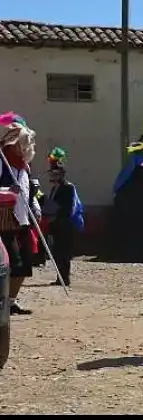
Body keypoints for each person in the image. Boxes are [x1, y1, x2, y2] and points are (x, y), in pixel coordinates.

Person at [0, 113, 40, 316]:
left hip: (23, 220)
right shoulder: (1, 162)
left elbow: (27, 192)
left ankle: (12, 301)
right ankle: (3, 302)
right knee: (11, 264)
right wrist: (7, 191)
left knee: (25, 265)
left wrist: (34, 206)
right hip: (4, 222)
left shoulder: (24, 168)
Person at [44, 148, 82, 287]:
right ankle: (59, 276)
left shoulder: (68, 187)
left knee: (64, 252)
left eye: (55, 173)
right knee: (57, 252)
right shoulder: (55, 188)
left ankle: (65, 278)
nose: (52, 176)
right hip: (56, 224)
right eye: (51, 173)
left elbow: (68, 207)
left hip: (65, 224)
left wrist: (56, 212)